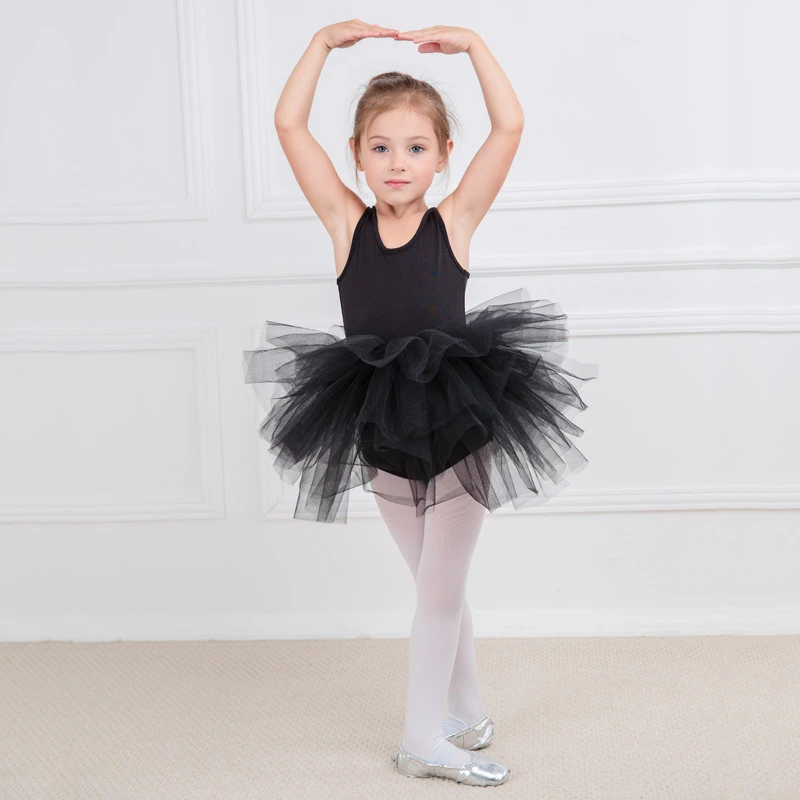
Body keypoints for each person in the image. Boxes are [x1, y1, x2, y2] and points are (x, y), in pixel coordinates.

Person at [242, 20, 599, 786]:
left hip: (462, 419)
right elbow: (287, 123)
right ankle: (464, 712)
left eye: (414, 148)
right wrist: (320, 45)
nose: (396, 163)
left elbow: (510, 124)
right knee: (436, 587)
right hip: (374, 421)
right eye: (379, 147)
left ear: (442, 160)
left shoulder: (455, 222)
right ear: (357, 158)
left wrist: (474, 48)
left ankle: (420, 742)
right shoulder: (346, 224)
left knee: (439, 588)